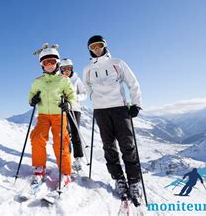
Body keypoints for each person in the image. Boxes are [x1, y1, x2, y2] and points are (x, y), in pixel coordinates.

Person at [82, 35, 143, 201]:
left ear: (104, 46)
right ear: (89, 49)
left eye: (99, 45)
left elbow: (133, 83)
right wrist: (92, 99)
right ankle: (119, 179)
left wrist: (136, 104)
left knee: (128, 146)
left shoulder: (117, 63)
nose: (96, 49)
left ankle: (134, 181)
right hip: (101, 111)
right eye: (93, 47)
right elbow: (86, 88)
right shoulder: (87, 69)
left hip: (120, 109)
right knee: (109, 147)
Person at [28, 44, 77, 187]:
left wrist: (68, 103)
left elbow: (72, 95)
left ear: (57, 63)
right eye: (45, 62)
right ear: (41, 65)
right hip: (43, 115)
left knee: (61, 141)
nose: (49, 65)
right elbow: (31, 95)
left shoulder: (63, 79)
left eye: (52, 62)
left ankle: (65, 173)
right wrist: (33, 100)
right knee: (37, 137)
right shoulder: (38, 81)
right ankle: (39, 167)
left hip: (59, 115)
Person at [59, 58, 87, 172]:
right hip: (62, 109)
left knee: (75, 133)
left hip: (75, 109)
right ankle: (67, 156)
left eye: (68, 69)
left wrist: (75, 98)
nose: (66, 71)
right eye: (64, 69)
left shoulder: (76, 79)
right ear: (60, 70)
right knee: (65, 134)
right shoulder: (58, 80)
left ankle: (78, 158)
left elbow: (84, 94)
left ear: (72, 69)